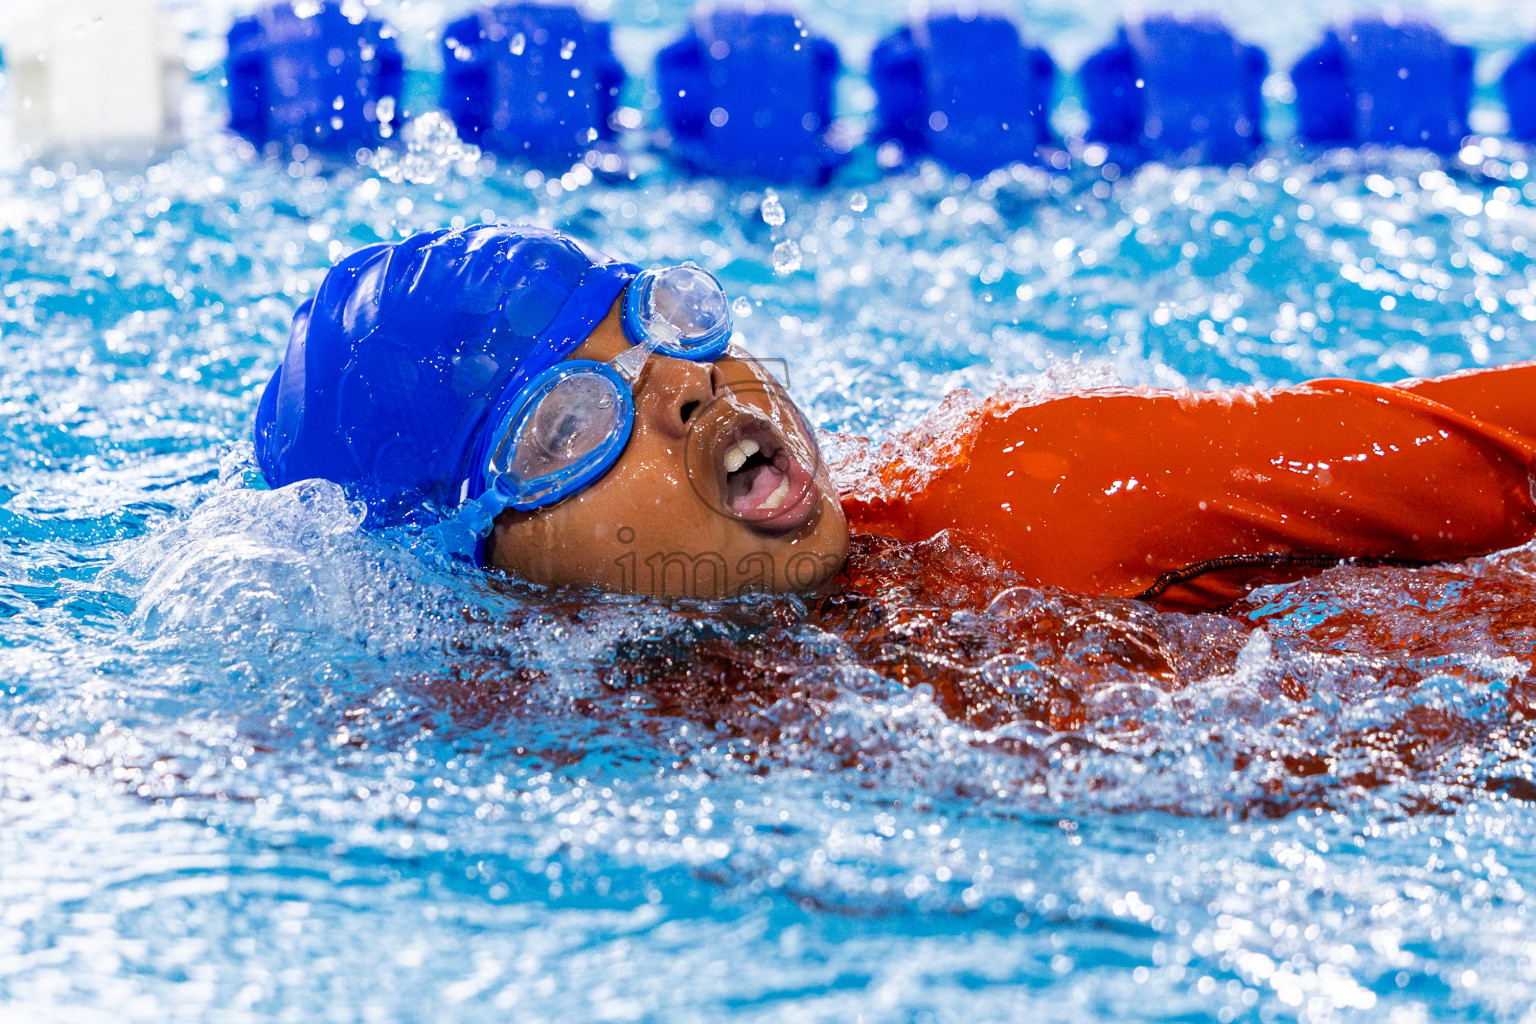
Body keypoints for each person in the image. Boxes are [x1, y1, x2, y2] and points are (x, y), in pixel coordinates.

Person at [255, 223, 1536, 611]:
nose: (688, 385)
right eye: (569, 422)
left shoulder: (1038, 500)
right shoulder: (550, 728)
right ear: (481, 567)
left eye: (661, 318)